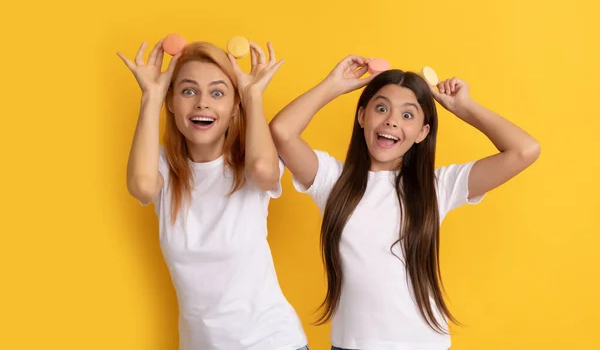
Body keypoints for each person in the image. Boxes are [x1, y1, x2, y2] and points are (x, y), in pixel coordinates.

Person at [270, 55, 540, 350]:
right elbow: (282, 132)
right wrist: (333, 85)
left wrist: (464, 107)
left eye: (408, 115)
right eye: (381, 108)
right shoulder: (332, 180)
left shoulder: (439, 187)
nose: (391, 121)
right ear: (362, 116)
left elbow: (524, 150)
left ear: (423, 132)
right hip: (351, 345)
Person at [117, 39, 308, 350]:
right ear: (171, 101)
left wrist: (252, 95)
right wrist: (150, 96)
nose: (202, 103)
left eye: (217, 93)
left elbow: (263, 171)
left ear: (234, 108)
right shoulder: (163, 168)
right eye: (188, 91)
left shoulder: (249, 161)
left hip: (271, 342)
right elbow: (141, 185)